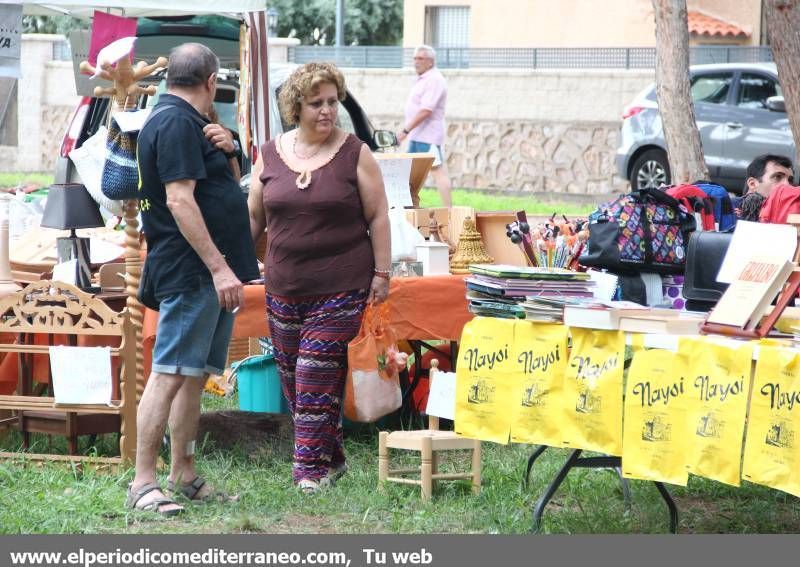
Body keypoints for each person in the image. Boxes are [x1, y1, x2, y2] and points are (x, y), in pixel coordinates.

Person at [126, 43, 259, 516]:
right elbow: (180, 201)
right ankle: (143, 482)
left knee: (195, 376)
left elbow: (218, 191)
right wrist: (219, 267)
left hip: (209, 272)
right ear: (210, 81)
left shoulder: (185, 123)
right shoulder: (176, 123)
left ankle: (183, 473)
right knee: (168, 374)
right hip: (194, 271)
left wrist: (232, 153)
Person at [248, 62, 391, 494]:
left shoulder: (354, 153)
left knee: (314, 373)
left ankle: (308, 473)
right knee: (293, 378)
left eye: (332, 102)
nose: (327, 111)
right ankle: (335, 458)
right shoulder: (270, 154)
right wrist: (230, 264)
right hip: (284, 288)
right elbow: (254, 216)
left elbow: (379, 216)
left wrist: (382, 273)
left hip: (341, 287)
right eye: (317, 103)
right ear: (297, 106)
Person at [397, 45, 452, 207]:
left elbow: (426, 110)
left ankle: (449, 212)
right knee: (409, 177)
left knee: (437, 172)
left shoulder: (435, 79)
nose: (416, 62)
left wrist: (405, 131)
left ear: (430, 61)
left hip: (427, 137)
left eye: (420, 58)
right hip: (418, 136)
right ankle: (410, 210)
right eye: (415, 58)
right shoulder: (425, 79)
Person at [734, 154, 794, 220]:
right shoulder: (725, 207)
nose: (787, 184)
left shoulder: (793, 216)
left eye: (790, 180)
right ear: (752, 184)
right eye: (778, 177)